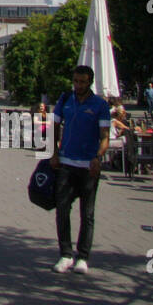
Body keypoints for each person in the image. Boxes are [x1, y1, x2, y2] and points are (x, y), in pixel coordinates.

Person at [51, 65, 111, 275]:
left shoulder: (100, 105)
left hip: (88, 166)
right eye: (76, 81)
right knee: (62, 210)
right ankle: (65, 254)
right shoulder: (66, 100)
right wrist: (54, 152)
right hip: (66, 162)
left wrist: (98, 156)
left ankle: (83, 256)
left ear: (90, 83)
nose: (78, 86)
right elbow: (55, 125)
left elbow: (105, 136)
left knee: (87, 213)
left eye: (82, 82)